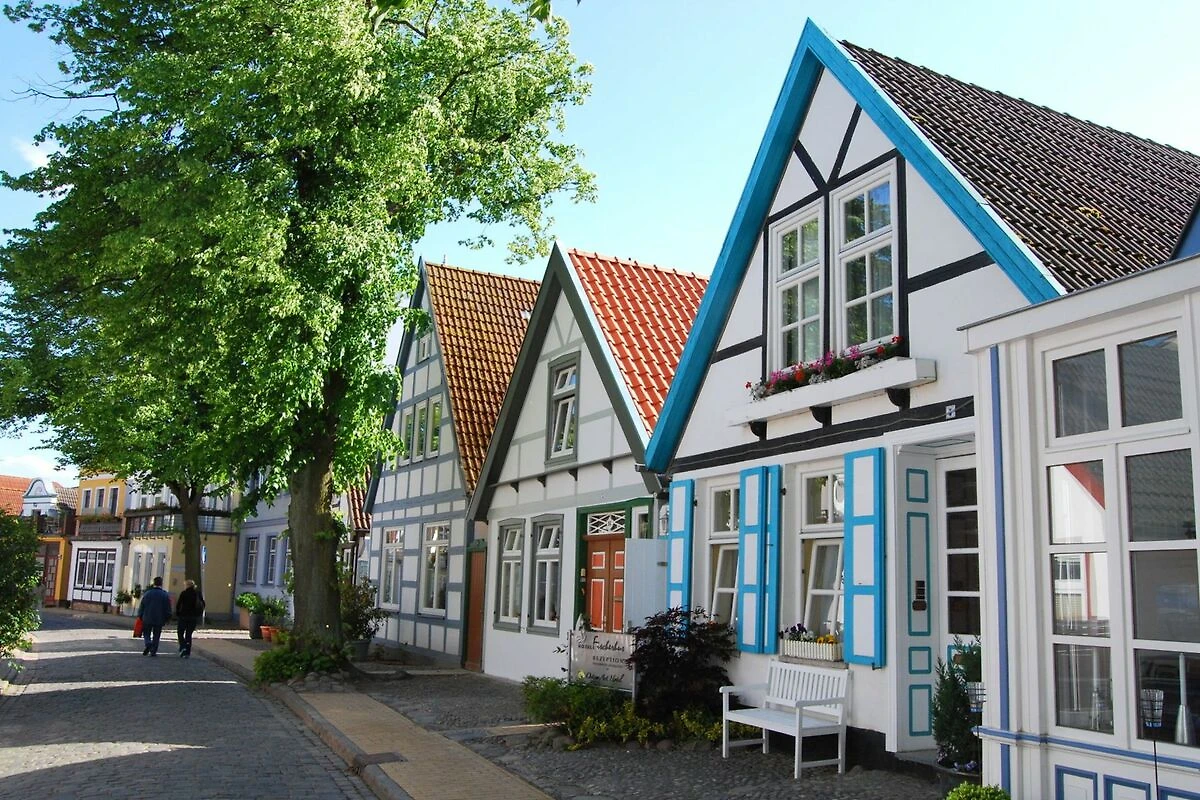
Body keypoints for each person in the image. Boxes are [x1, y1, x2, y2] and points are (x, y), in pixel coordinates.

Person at [137, 576, 172, 656]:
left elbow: (142, 605)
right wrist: (168, 617)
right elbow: (168, 607)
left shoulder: (147, 594)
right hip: (159, 618)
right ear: (161, 584)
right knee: (156, 635)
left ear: (154, 583)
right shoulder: (165, 595)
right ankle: (153, 651)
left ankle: (148, 643)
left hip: (147, 617)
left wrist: (140, 615)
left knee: (146, 633)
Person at [174, 579, 205, 658]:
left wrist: (177, 613)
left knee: (180, 632)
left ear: (187, 585)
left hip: (183, 616)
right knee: (189, 634)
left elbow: (178, 604)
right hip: (193, 617)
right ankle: (187, 652)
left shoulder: (184, 593)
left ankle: (183, 646)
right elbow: (202, 604)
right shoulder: (197, 593)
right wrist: (198, 614)